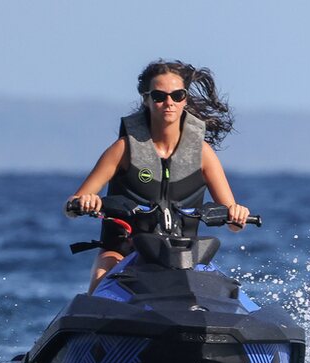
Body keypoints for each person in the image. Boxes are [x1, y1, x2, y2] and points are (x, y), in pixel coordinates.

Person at [67, 59, 250, 292]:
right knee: (101, 284)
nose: (169, 103)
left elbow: (234, 224)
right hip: (124, 252)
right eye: (159, 96)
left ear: (185, 99)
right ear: (146, 99)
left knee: (227, 294)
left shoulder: (203, 154)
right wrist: (85, 202)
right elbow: (70, 206)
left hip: (184, 257)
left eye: (177, 95)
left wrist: (237, 213)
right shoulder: (123, 149)